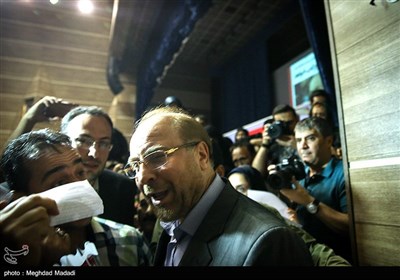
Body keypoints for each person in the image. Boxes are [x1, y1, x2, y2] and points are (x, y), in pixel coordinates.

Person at [126, 106, 313, 266]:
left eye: (157, 156)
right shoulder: (170, 225)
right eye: (135, 165)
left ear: (201, 155)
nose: (142, 177)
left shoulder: (269, 243)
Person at [0, 129, 152, 266]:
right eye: (60, 182)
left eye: (80, 173)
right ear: (21, 200)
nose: (80, 188)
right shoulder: (14, 255)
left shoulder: (130, 241)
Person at [269, 117, 352, 263]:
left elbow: (350, 227)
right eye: (299, 140)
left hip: (338, 260)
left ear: (328, 141)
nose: (303, 146)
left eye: (310, 138)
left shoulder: (344, 174)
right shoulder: (298, 175)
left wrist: (308, 201)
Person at [61, 106, 137, 226]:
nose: (94, 154)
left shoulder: (122, 188)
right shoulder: (43, 185)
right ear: (63, 142)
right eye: (84, 141)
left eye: (103, 143)